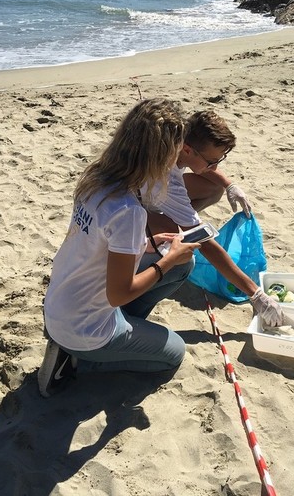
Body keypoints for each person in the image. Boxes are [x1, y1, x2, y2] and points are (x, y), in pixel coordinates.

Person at [38, 98, 200, 398]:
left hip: (60, 303)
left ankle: (118, 332)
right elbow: (119, 293)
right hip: (84, 330)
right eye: (174, 153)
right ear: (161, 155)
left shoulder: (98, 177)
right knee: (174, 353)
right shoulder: (129, 209)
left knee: (183, 265)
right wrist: (166, 261)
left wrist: (149, 245)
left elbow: (97, 244)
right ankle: (79, 361)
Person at [140, 110, 286, 328]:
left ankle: (182, 219)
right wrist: (255, 294)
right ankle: (174, 223)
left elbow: (201, 165)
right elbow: (206, 245)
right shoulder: (169, 182)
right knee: (183, 243)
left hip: (153, 194)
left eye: (220, 160)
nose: (215, 167)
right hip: (138, 209)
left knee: (213, 188)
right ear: (187, 149)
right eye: (212, 161)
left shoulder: (176, 137)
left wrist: (229, 185)